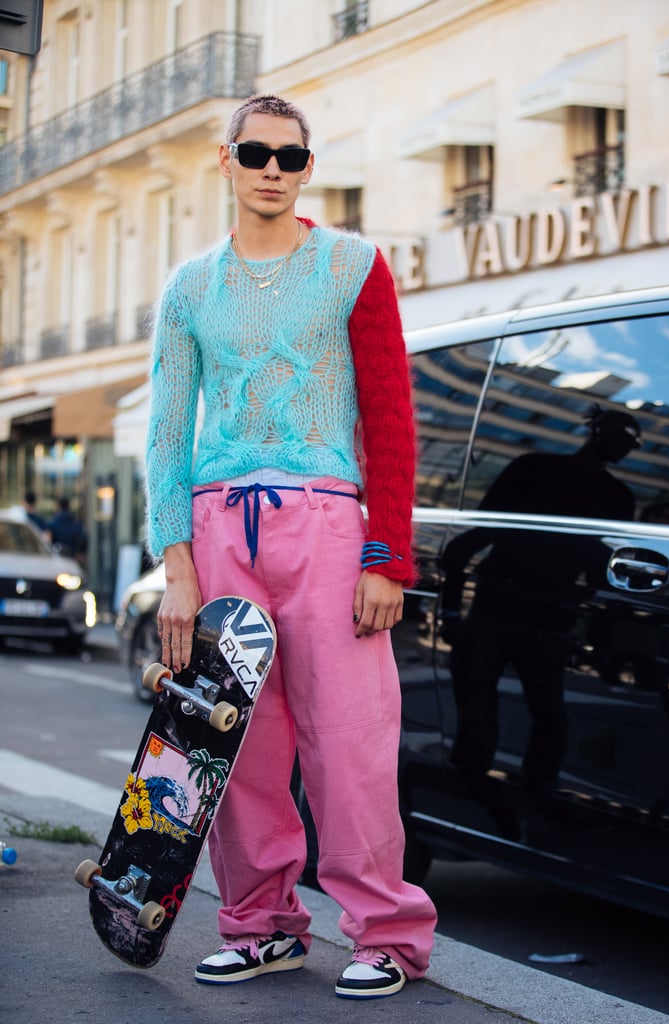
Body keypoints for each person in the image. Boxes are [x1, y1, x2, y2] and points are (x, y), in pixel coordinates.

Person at [146, 93, 436, 1000]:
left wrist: (386, 556)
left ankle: (385, 931)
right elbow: (166, 433)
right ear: (224, 161)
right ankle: (262, 925)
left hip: (325, 524)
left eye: (292, 156)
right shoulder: (190, 288)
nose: (274, 168)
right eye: (257, 152)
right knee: (239, 743)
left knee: (350, 741)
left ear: (307, 168)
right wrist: (178, 569)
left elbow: (390, 417)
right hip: (219, 524)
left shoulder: (352, 266)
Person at [441, 407, 640, 819]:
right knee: (478, 715)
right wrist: (451, 613)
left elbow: (600, 570)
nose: (628, 446)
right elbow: (475, 535)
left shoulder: (619, 498)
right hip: (497, 608)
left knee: (550, 718)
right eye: (624, 436)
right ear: (598, 430)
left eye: (634, 442)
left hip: (550, 619)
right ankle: (472, 802)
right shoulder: (534, 468)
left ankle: (535, 800)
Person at [48, 496, 87, 561]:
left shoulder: (53, 523)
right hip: (73, 558)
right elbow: (84, 538)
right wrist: (81, 553)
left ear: (59, 506)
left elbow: (48, 540)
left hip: (57, 558)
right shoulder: (76, 523)